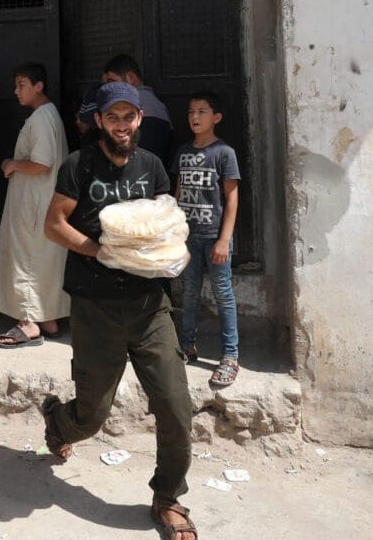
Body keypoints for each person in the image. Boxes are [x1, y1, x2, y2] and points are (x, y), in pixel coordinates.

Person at [40, 82, 197, 540]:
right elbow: (54, 225)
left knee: (175, 407)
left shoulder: (152, 168)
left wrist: (173, 254)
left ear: (140, 119)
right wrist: (100, 252)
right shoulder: (78, 165)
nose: (122, 125)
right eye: (113, 117)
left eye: (129, 117)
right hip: (96, 308)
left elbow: (166, 226)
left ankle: (167, 498)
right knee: (92, 417)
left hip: (150, 307)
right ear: (100, 121)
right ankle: (58, 420)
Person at [0, 62, 70, 347]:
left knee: (27, 261)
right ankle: (48, 320)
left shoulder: (43, 118)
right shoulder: (47, 115)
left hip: (35, 203)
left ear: (38, 86)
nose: (16, 91)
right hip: (40, 201)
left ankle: (28, 322)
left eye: (22, 85)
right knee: (41, 260)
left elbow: (41, 164)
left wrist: (11, 164)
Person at [173, 92, 241, 389]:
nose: (195, 117)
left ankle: (230, 356)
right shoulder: (184, 151)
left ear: (217, 117)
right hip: (188, 238)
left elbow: (231, 198)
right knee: (189, 293)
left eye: (202, 111)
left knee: (223, 295)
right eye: (191, 111)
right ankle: (187, 346)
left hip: (214, 237)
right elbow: (178, 193)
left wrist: (224, 240)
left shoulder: (224, 153)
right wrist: (174, 230)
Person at [103, 54, 173, 166]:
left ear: (131, 78)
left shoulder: (141, 102)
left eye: (112, 82)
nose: (107, 89)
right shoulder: (153, 103)